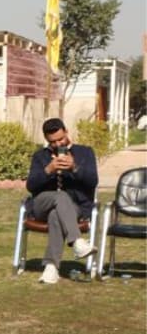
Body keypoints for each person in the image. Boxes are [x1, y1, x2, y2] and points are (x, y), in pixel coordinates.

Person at [25, 117, 98, 285]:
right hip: (42, 204)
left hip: (74, 208)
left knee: (55, 215)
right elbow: (31, 185)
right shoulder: (40, 156)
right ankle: (77, 241)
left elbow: (92, 181)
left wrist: (74, 168)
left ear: (66, 132)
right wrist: (48, 170)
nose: (58, 144)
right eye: (53, 142)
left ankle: (51, 267)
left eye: (61, 139)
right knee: (60, 197)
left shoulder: (85, 152)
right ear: (46, 140)